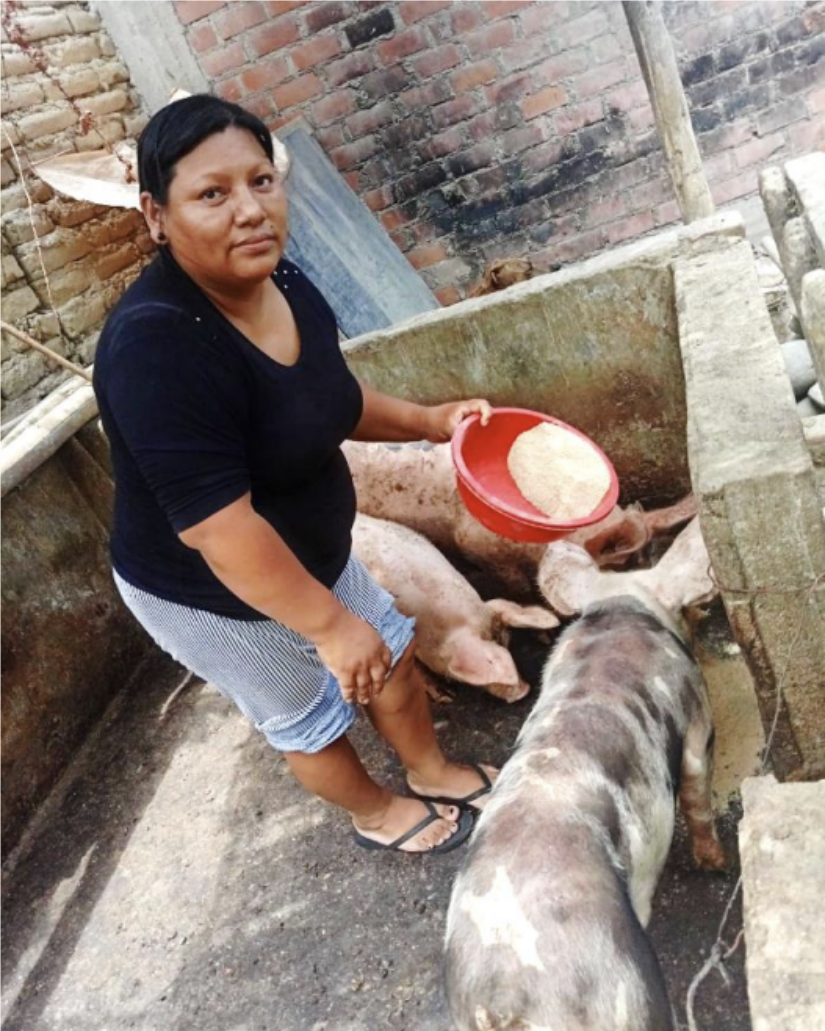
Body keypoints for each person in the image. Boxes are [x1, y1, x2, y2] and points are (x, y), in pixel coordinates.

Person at [93, 94, 497, 855]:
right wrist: (326, 625)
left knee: (391, 654)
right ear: (155, 214)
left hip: (313, 545)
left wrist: (431, 422)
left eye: (260, 181)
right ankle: (376, 811)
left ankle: (431, 767)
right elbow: (221, 529)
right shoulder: (155, 350)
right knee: (310, 710)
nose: (249, 210)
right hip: (209, 587)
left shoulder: (289, 282)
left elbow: (330, 398)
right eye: (212, 194)